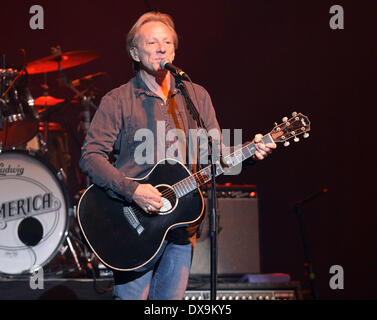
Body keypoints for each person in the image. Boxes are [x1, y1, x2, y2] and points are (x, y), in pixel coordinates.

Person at [79, 11, 276, 300]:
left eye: (167, 43)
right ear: (134, 52)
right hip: (131, 224)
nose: (161, 48)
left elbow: (217, 156)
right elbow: (90, 157)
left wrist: (252, 150)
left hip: (181, 224)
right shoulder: (117, 100)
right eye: (152, 43)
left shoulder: (196, 96)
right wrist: (133, 191)